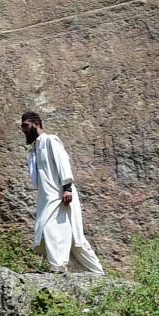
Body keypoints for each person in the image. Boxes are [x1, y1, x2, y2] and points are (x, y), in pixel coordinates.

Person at [21, 111, 105, 275]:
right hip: (48, 197)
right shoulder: (36, 148)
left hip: (60, 195)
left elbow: (62, 162)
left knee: (52, 228)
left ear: (36, 123)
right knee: (72, 237)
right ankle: (96, 271)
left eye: (25, 125)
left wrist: (67, 188)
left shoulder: (50, 140)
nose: (23, 130)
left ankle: (58, 266)